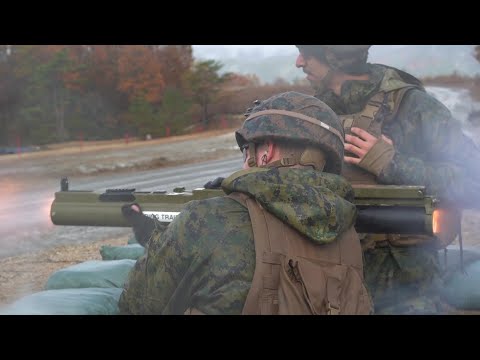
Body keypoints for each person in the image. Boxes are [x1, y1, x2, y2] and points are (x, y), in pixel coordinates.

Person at [118, 91, 372, 315]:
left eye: (246, 151)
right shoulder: (348, 236)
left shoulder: (209, 220)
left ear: (266, 151)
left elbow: (137, 306)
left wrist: (161, 243)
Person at [294, 45, 480, 314]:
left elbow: (473, 182)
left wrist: (391, 163)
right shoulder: (315, 112)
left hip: (407, 288)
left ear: (334, 57)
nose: (299, 62)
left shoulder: (411, 105)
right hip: (334, 284)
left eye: (306, 53)